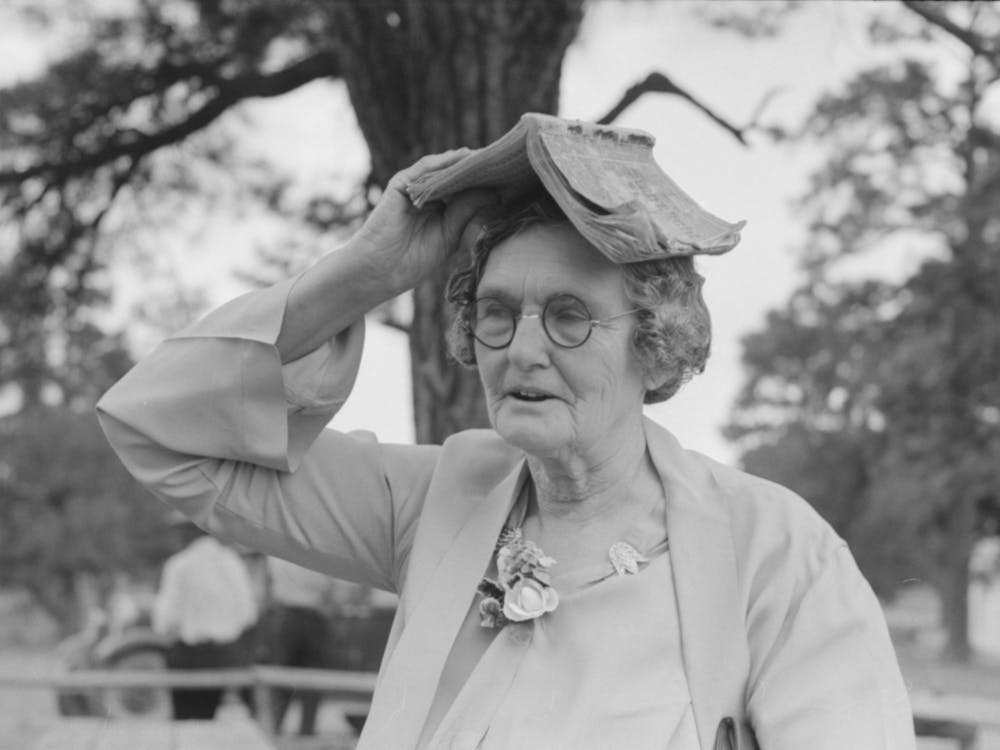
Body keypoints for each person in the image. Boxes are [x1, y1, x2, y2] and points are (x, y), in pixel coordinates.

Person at [98, 116, 916, 749]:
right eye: (497, 312)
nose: (522, 348)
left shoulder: (777, 555)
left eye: (567, 316)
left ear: (655, 340)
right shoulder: (435, 500)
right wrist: (367, 274)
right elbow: (160, 433)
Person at [152, 519, 259, 720]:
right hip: (227, 657)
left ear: (188, 532)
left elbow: (166, 620)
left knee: (187, 724)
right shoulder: (232, 562)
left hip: (190, 656)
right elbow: (248, 613)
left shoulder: (179, 565)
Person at [264, 555, 338, 735]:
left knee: (283, 679)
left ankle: (275, 730)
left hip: (288, 617)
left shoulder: (278, 552)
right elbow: (330, 590)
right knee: (311, 680)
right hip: (313, 617)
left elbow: (268, 588)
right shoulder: (322, 553)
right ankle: (305, 732)